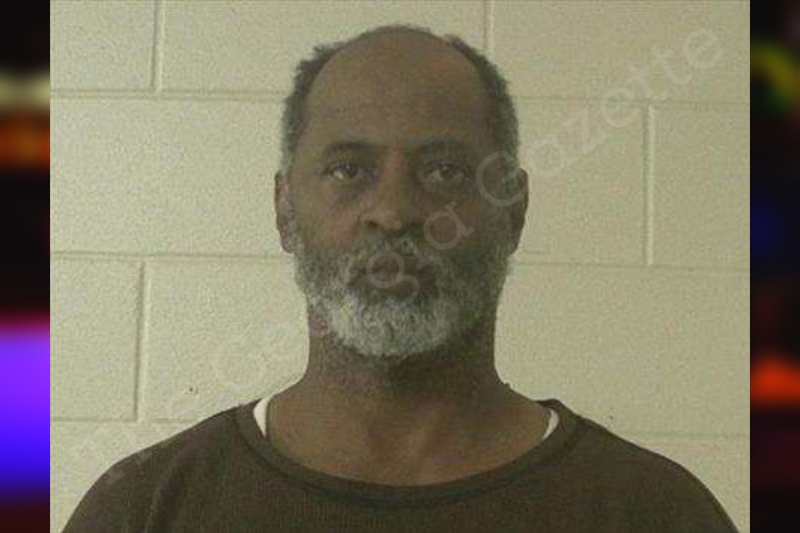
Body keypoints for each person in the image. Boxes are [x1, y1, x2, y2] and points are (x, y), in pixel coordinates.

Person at [63, 25, 738, 532]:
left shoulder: (655, 513)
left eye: (443, 171)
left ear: (514, 211)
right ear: (284, 209)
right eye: (349, 169)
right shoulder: (145, 510)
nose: (393, 211)